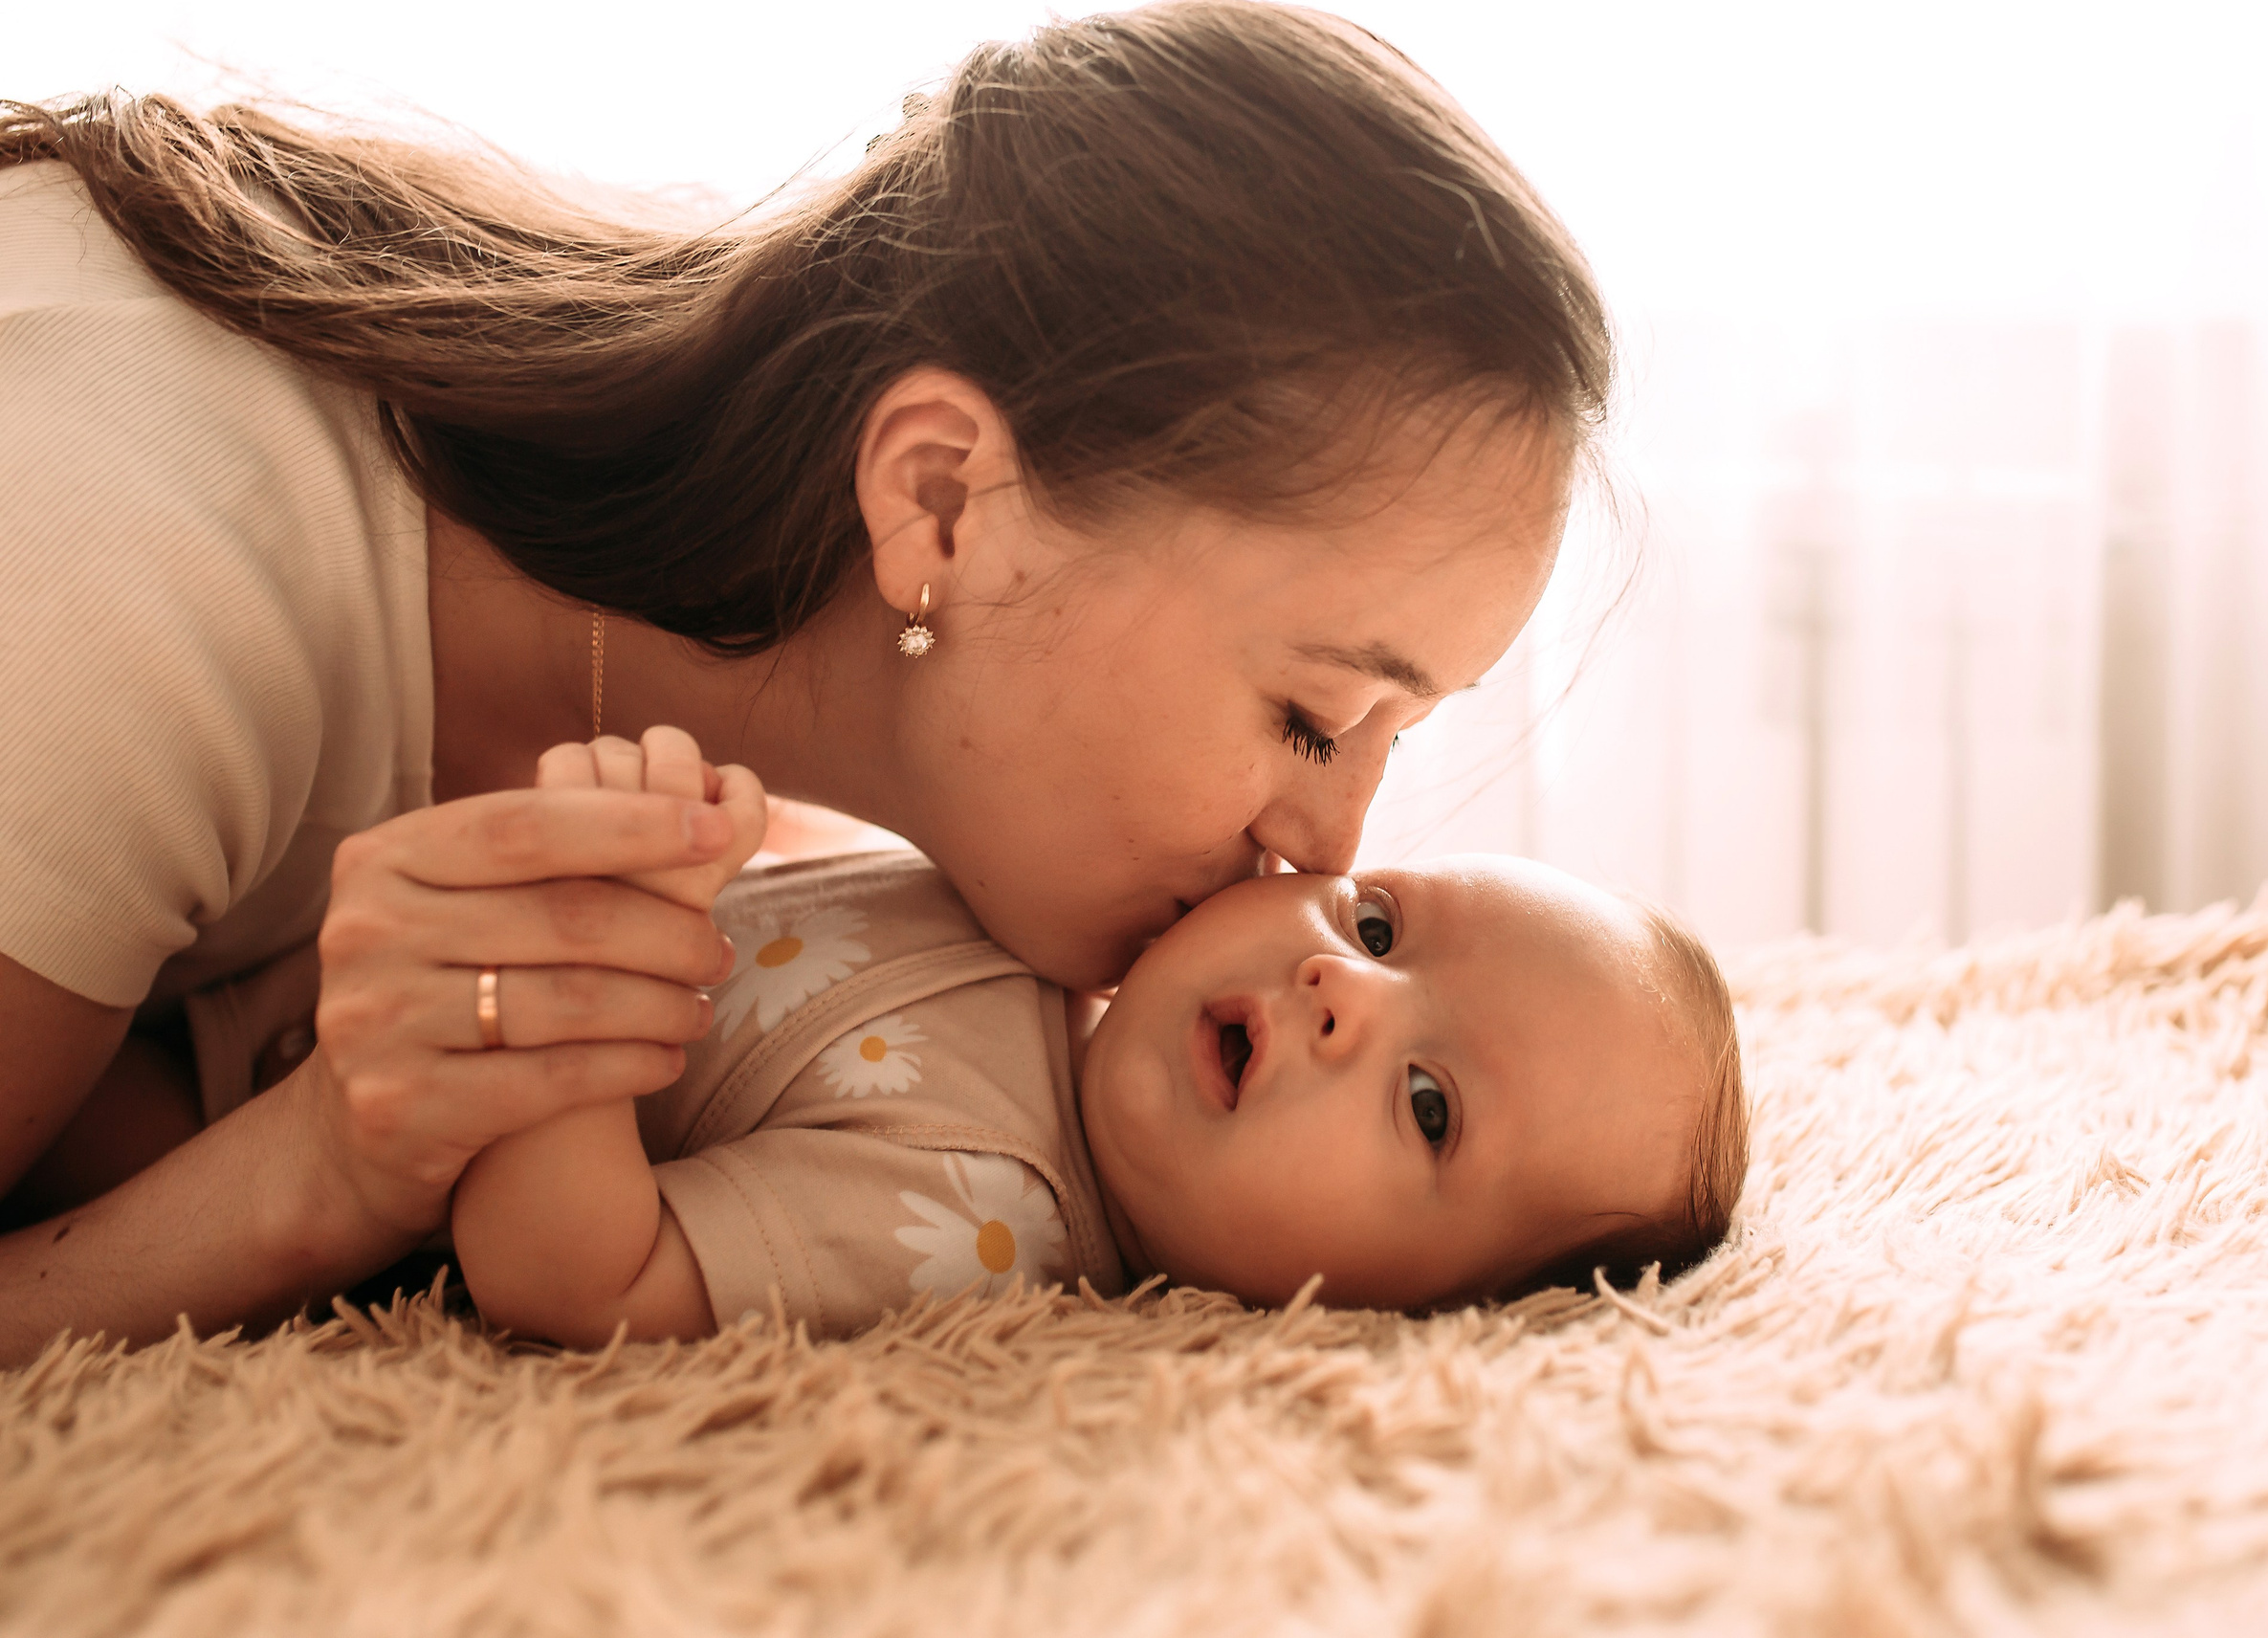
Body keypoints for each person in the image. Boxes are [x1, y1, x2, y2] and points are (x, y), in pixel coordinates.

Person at [0, 1, 1611, 1362]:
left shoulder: (735, 791)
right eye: (1313, 718)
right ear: (940, 503)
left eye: (1390, 743)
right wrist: (325, 1165)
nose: (1328, 854)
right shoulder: (130, 572)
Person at [430, 728, 1746, 1342]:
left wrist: (583, 943)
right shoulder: (1062, 924)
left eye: (1431, 1107)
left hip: (298, 1082)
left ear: (1399, 1316)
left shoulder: (970, 1217)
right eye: (1385, 927)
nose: (1346, 988)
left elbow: (575, 1279)